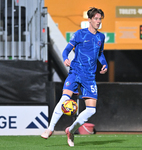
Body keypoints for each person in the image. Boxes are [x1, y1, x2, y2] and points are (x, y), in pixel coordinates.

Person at [41, 7, 108, 147]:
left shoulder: (101, 37)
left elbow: (100, 54)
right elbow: (66, 50)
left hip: (89, 77)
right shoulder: (80, 34)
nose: (98, 21)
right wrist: (65, 58)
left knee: (91, 110)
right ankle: (50, 129)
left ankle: (70, 130)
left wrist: (104, 64)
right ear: (89, 20)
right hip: (75, 72)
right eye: (95, 19)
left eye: (100, 19)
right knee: (65, 98)